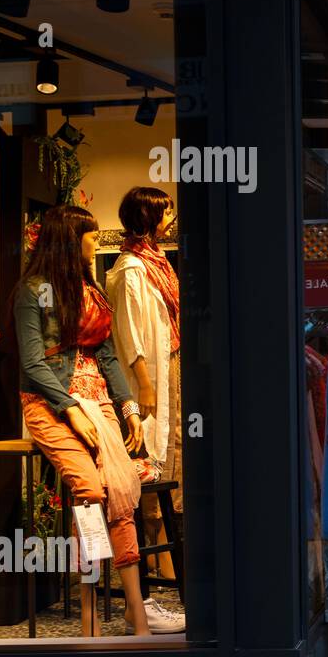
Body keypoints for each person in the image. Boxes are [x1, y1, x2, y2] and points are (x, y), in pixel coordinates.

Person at [9, 205, 181, 636]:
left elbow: (104, 353)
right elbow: (32, 362)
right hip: (53, 404)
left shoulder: (89, 288)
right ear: (70, 240)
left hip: (99, 403)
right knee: (89, 489)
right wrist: (69, 408)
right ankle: (89, 615)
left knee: (121, 492)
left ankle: (135, 614)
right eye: (88, 235)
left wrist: (128, 409)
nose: (95, 241)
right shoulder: (35, 290)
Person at [106, 187, 185, 585]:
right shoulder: (130, 269)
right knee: (150, 460)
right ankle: (153, 560)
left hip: (168, 366)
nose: (169, 219)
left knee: (170, 458)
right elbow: (129, 332)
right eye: (164, 212)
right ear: (147, 217)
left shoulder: (156, 263)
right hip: (147, 377)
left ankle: (163, 556)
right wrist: (145, 385)